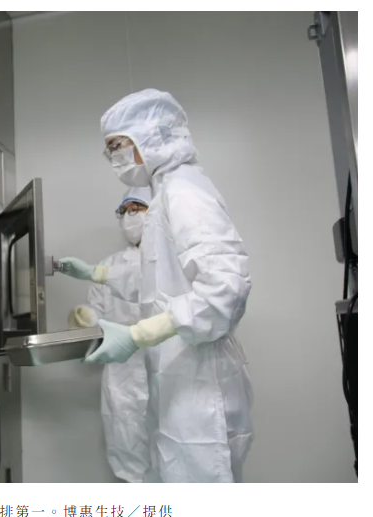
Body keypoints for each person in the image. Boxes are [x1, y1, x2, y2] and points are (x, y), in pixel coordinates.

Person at [58, 88, 253, 483]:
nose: (113, 158)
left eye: (117, 146)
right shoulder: (167, 194)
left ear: (150, 135)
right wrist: (98, 275)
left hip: (201, 389)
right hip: (182, 381)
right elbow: (157, 277)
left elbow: (225, 288)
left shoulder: (184, 192)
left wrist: (140, 333)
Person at [67, 186, 153, 483]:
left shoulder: (177, 261)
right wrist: (86, 318)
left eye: (136, 209)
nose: (129, 217)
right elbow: (98, 314)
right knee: (127, 445)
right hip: (123, 373)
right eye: (124, 211)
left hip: (170, 369)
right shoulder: (109, 265)